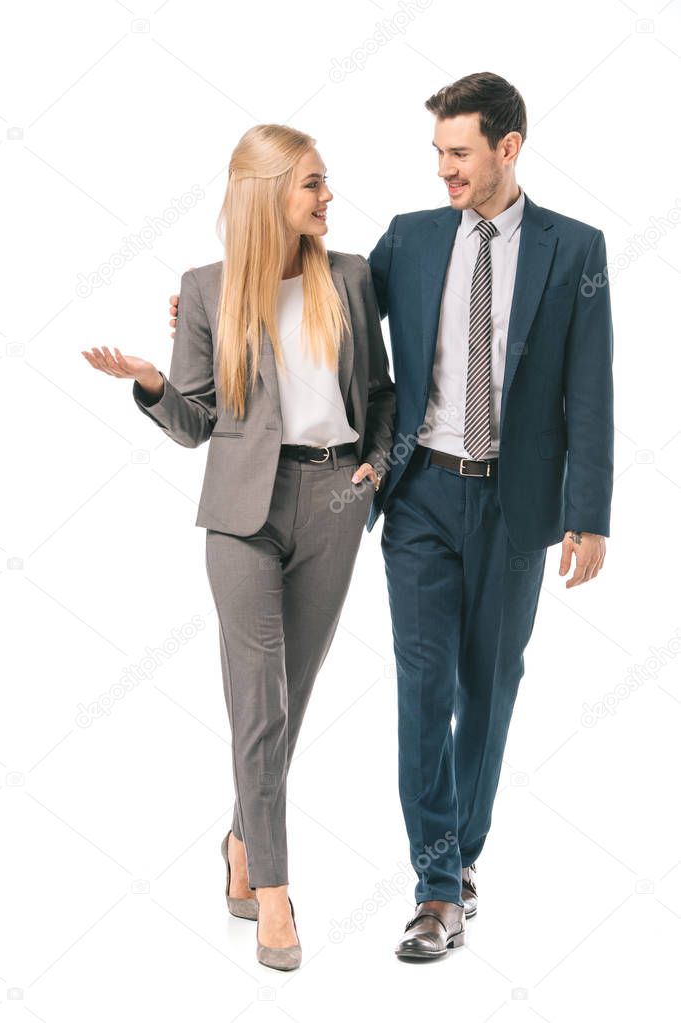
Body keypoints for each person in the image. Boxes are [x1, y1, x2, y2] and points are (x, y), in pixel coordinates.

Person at [81, 123, 395, 971]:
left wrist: (373, 466)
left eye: (325, 184)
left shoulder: (353, 277)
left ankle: (238, 840)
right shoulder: (208, 290)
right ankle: (275, 894)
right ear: (268, 197)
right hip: (240, 517)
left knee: (289, 701)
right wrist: (151, 380)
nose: (329, 198)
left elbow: (381, 392)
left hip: (335, 502)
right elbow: (194, 425)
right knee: (259, 704)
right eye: (313, 186)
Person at [366, 72, 614, 959]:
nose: (444, 171)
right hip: (422, 493)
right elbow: (334, 317)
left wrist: (588, 514)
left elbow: (588, 389)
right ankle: (437, 886)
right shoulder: (409, 238)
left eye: (458, 153)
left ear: (507, 148)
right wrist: (210, 307)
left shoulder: (572, 249)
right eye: (436, 153)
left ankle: (459, 854)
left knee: (489, 685)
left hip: (516, 502)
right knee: (422, 685)